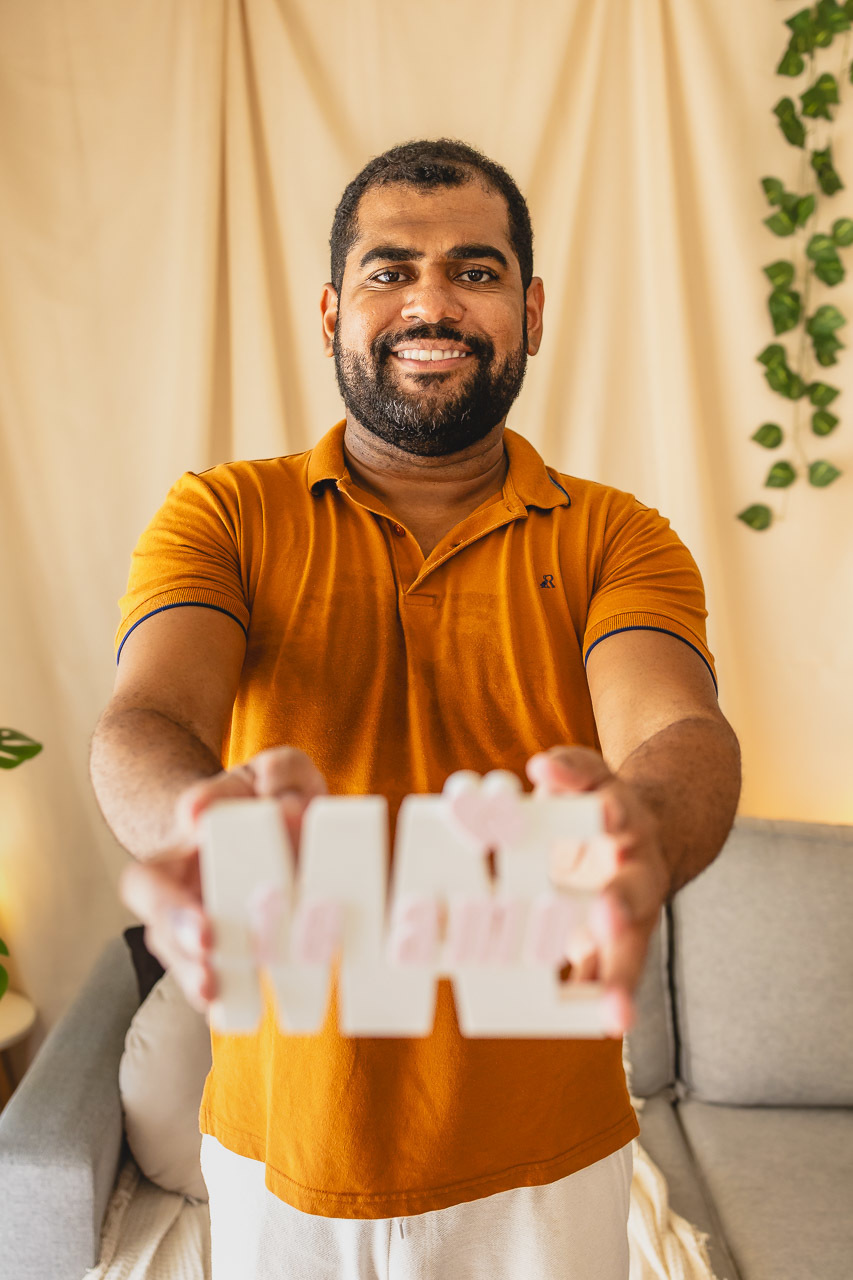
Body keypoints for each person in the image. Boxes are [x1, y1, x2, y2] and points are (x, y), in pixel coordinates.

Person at [90, 138, 741, 1279]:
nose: (431, 299)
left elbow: (676, 727)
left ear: (530, 312)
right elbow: (147, 717)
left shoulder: (615, 535)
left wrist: (645, 823)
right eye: (391, 270)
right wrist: (197, 819)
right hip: (277, 1147)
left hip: (548, 1158)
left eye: (476, 271)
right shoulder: (223, 515)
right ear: (335, 309)